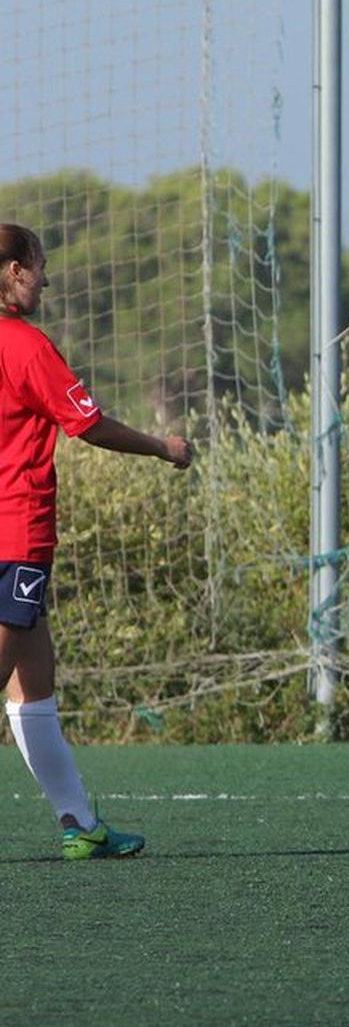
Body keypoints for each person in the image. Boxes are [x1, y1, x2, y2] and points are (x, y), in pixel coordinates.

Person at [0, 223, 192, 860]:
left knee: (34, 687)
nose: (47, 279)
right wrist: (162, 447)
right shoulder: (25, 347)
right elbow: (87, 424)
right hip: (15, 534)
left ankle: (79, 823)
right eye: (40, 265)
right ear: (14, 270)